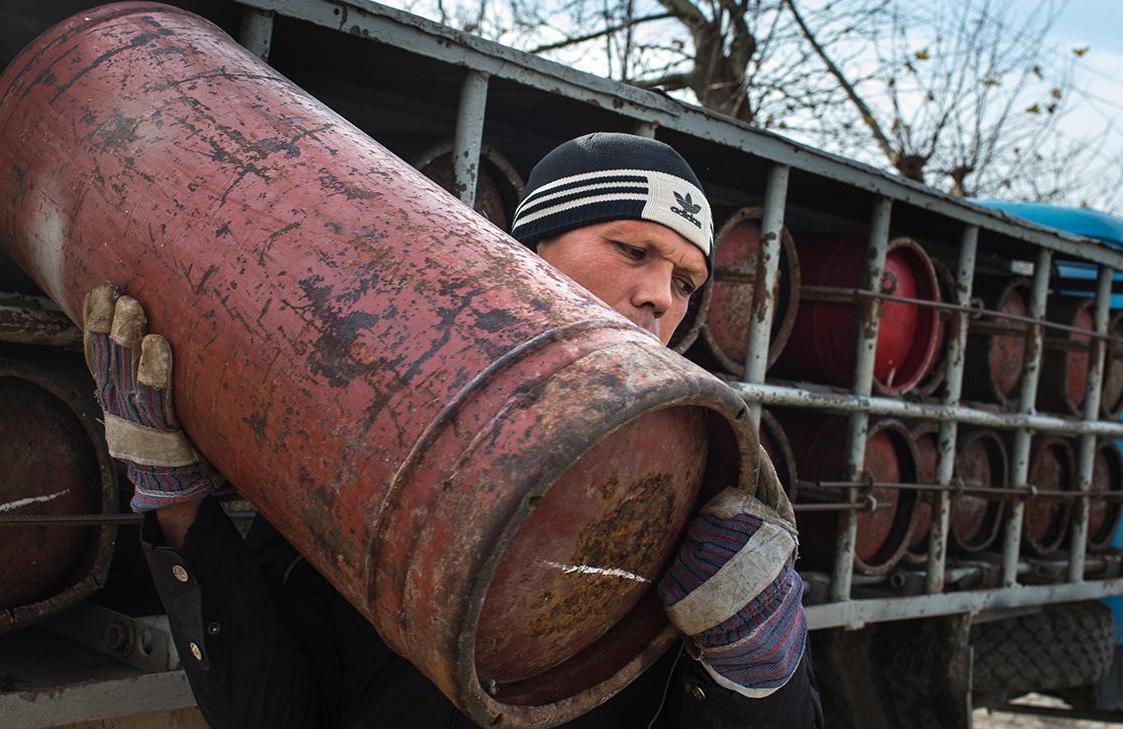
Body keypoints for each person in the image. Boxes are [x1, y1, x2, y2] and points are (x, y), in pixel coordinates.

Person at [83, 132, 824, 728]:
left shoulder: (708, 481)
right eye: (633, 250)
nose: (661, 296)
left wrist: (757, 679)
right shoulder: (382, 439)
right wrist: (178, 507)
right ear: (528, 255)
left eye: (687, 282)